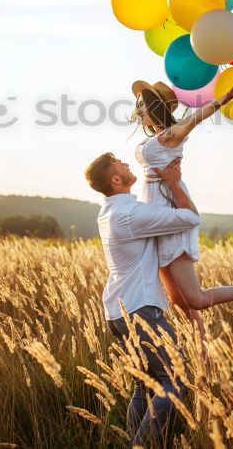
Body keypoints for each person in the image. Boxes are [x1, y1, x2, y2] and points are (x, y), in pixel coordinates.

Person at [128, 79, 233, 340]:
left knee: (197, 299)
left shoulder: (171, 135)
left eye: (142, 106)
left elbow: (194, 119)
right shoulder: (155, 139)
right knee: (181, 302)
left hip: (169, 214)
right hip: (153, 221)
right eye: (137, 106)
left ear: (155, 106)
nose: (137, 112)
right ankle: (203, 361)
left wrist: (219, 102)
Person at [85, 151, 197, 447]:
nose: (126, 163)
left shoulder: (109, 211)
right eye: (121, 164)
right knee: (175, 380)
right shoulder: (130, 213)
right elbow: (189, 218)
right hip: (140, 310)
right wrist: (174, 183)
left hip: (118, 312)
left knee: (144, 384)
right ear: (116, 179)